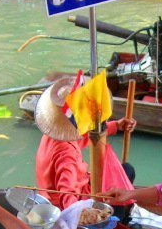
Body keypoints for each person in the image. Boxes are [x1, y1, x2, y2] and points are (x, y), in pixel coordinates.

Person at [34, 74, 136, 211]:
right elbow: (67, 193)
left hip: (56, 192)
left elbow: (82, 138)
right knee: (127, 173)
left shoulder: (54, 135)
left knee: (125, 170)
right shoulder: (66, 153)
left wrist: (116, 126)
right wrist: (81, 216)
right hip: (69, 202)